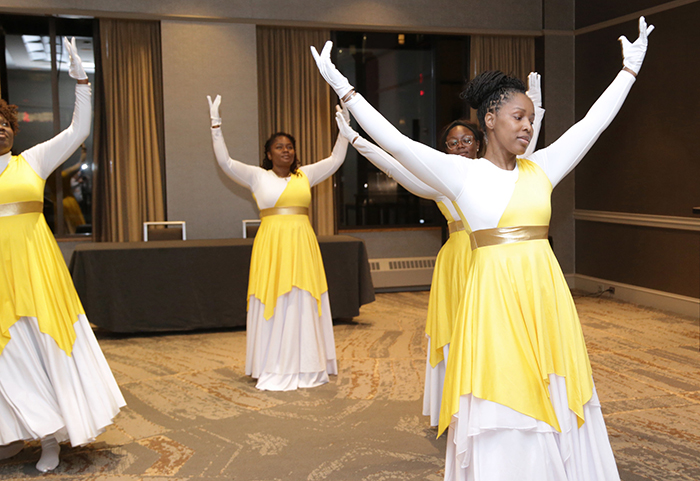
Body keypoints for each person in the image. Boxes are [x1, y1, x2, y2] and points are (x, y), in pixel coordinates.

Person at [312, 15, 653, 480]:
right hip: (492, 300)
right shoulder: (462, 174)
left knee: (552, 381)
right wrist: (344, 89)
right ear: (490, 119)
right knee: (504, 385)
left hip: (545, 298)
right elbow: (395, 140)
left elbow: (593, 124)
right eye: (519, 117)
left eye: (532, 119)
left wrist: (628, 72)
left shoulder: (543, 168)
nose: (528, 127)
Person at [335, 80, 543, 427]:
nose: (460, 146)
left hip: (493, 259)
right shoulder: (444, 180)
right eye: (452, 143)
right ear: (445, 149)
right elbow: (397, 166)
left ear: (479, 139)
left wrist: (536, 104)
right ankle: (460, 408)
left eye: (466, 140)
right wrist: (356, 140)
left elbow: (531, 155)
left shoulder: (503, 172)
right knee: (457, 335)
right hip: (457, 262)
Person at [0, 37, 125, 473]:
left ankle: (52, 438)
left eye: (5, 121)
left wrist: (80, 81)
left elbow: (79, 131)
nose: (1, 127)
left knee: (43, 347)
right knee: (7, 356)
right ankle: (14, 431)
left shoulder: (31, 161)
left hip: (35, 269)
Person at [208, 95, 349, 391]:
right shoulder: (257, 176)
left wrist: (344, 128)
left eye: (289, 146)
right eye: (279, 147)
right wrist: (215, 124)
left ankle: (308, 361)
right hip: (271, 246)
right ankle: (271, 362)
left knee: (302, 298)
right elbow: (225, 162)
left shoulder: (305, 175)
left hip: (302, 244)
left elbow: (336, 160)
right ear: (269, 154)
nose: (286, 150)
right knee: (274, 296)